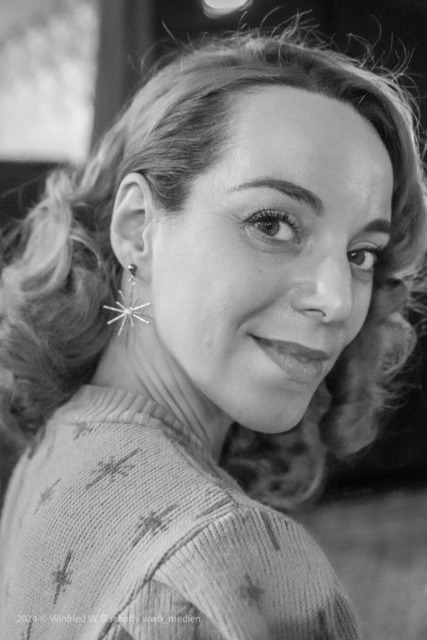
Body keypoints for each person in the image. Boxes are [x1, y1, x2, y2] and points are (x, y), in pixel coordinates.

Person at [0, 24, 426, 640]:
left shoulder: (54, 447)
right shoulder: (229, 554)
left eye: (361, 254)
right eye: (273, 224)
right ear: (137, 226)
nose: (336, 301)